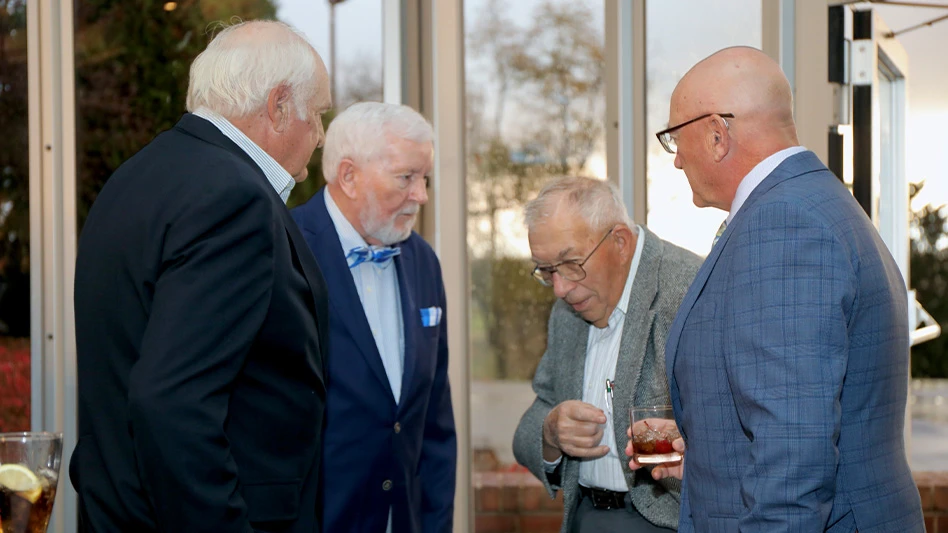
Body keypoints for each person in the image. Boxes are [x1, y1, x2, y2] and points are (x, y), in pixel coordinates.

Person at [71, 21, 332, 533]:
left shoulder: (135, 177)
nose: (320, 134)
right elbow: (172, 403)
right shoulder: (232, 197)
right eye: (318, 113)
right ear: (279, 105)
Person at [650, 46, 925, 532]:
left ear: (717, 134)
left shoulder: (782, 225)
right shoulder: (815, 204)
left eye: (676, 139)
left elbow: (794, 454)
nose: (676, 161)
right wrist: (710, 450)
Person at [290, 102, 456, 533]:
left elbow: (434, 423)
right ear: (348, 175)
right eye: (406, 177)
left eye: (425, 179)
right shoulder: (282, 252)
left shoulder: (424, 261)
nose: (421, 195)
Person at [512, 176, 702, 533]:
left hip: (666, 522)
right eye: (547, 270)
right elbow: (534, 416)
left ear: (620, 242)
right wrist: (550, 430)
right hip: (583, 516)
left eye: (570, 264)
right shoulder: (569, 311)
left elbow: (735, 437)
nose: (560, 288)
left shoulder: (690, 291)